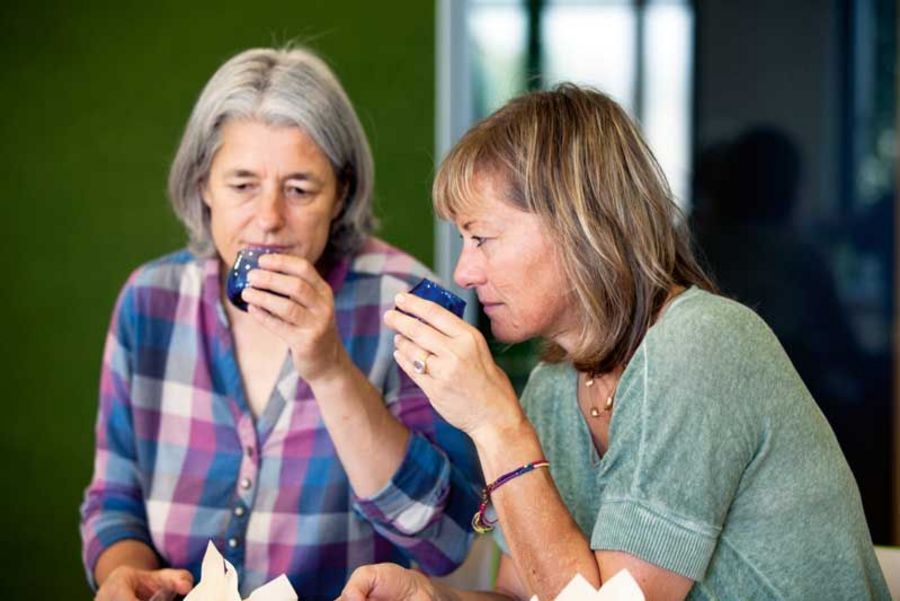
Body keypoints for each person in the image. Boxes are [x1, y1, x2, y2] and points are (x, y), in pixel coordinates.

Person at [340, 85, 890, 600]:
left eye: (482, 237)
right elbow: (526, 589)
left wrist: (494, 425)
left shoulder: (701, 346)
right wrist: (431, 595)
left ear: (579, 228)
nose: (464, 272)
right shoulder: (555, 387)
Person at [80, 47, 481, 601]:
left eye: (299, 189)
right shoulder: (150, 302)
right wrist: (122, 574)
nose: (268, 220)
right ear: (203, 186)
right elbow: (114, 500)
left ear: (340, 194)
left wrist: (331, 369)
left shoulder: (407, 305)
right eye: (242, 185)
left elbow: (448, 537)